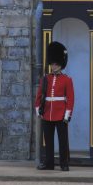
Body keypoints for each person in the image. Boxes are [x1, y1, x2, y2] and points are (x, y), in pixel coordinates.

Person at [35, 41, 74, 171]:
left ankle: (64, 163)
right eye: (52, 63)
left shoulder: (67, 80)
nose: (53, 66)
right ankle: (49, 163)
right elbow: (39, 94)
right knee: (48, 141)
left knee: (63, 140)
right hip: (47, 113)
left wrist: (67, 114)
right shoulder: (45, 78)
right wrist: (38, 109)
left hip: (61, 113)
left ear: (60, 64)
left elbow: (70, 99)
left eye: (56, 64)